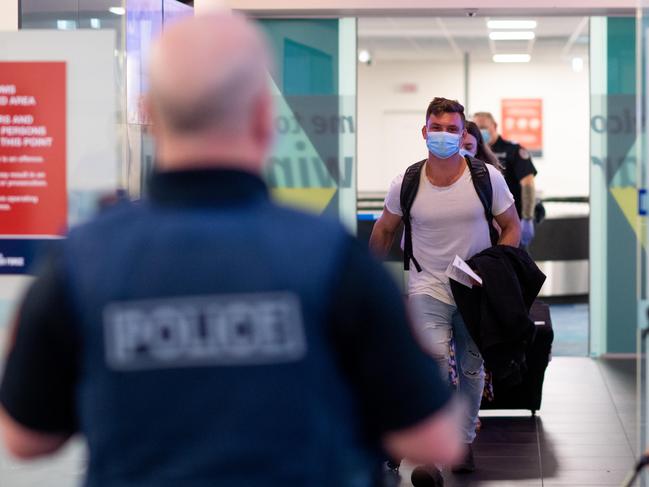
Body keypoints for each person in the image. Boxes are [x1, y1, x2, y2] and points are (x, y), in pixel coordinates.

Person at [0, 13, 463, 487]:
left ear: (151, 115)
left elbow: (24, 437)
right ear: (264, 117)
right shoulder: (329, 257)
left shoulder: (83, 259)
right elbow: (434, 441)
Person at [369, 98, 520, 483]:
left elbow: (511, 226)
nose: (444, 136)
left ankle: (463, 438)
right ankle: (432, 458)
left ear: (464, 134)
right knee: (433, 366)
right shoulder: (407, 182)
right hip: (426, 286)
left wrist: (498, 268)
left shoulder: (487, 178)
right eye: (436, 128)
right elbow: (385, 229)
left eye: (452, 129)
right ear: (424, 132)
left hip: (475, 288)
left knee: (471, 368)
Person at [472, 111, 537, 248]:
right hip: (483, 224)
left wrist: (527, 217)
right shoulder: (474, 151)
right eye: (477, 128)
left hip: (511, 221)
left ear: (494, 126)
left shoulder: (513, 150)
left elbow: (528, 183)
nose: (480, 131)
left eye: (484, 127)